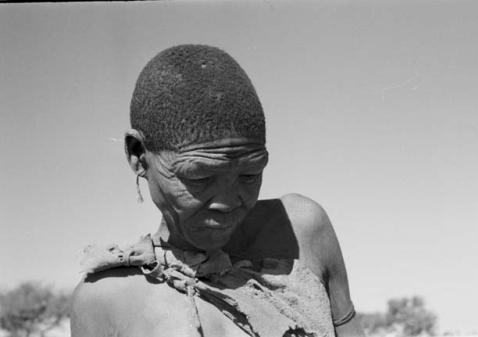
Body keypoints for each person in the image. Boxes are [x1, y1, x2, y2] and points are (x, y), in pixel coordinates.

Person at [70, 44, 365, 337]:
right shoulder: (105, 300)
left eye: (249, 175)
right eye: (199, 178)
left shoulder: (301, 231)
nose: (227, 203)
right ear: (138, 156)